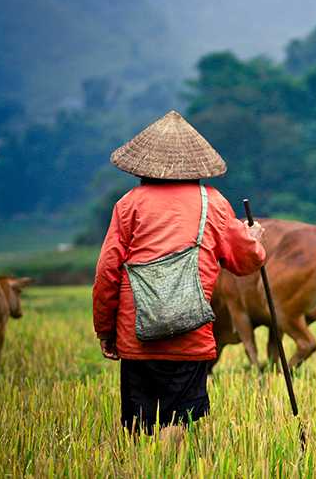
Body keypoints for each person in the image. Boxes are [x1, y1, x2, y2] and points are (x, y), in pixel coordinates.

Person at [92, 110, 266, 441]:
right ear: (197, 167)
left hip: (136, 333)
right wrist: (254, 239)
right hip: (189, 332)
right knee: (177, 418)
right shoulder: (213, 203)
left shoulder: (128, 205)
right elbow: (244, 261)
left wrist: (105, 328)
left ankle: (141, 468)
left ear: (143, 168)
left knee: (139, 421)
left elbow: (106, 273)